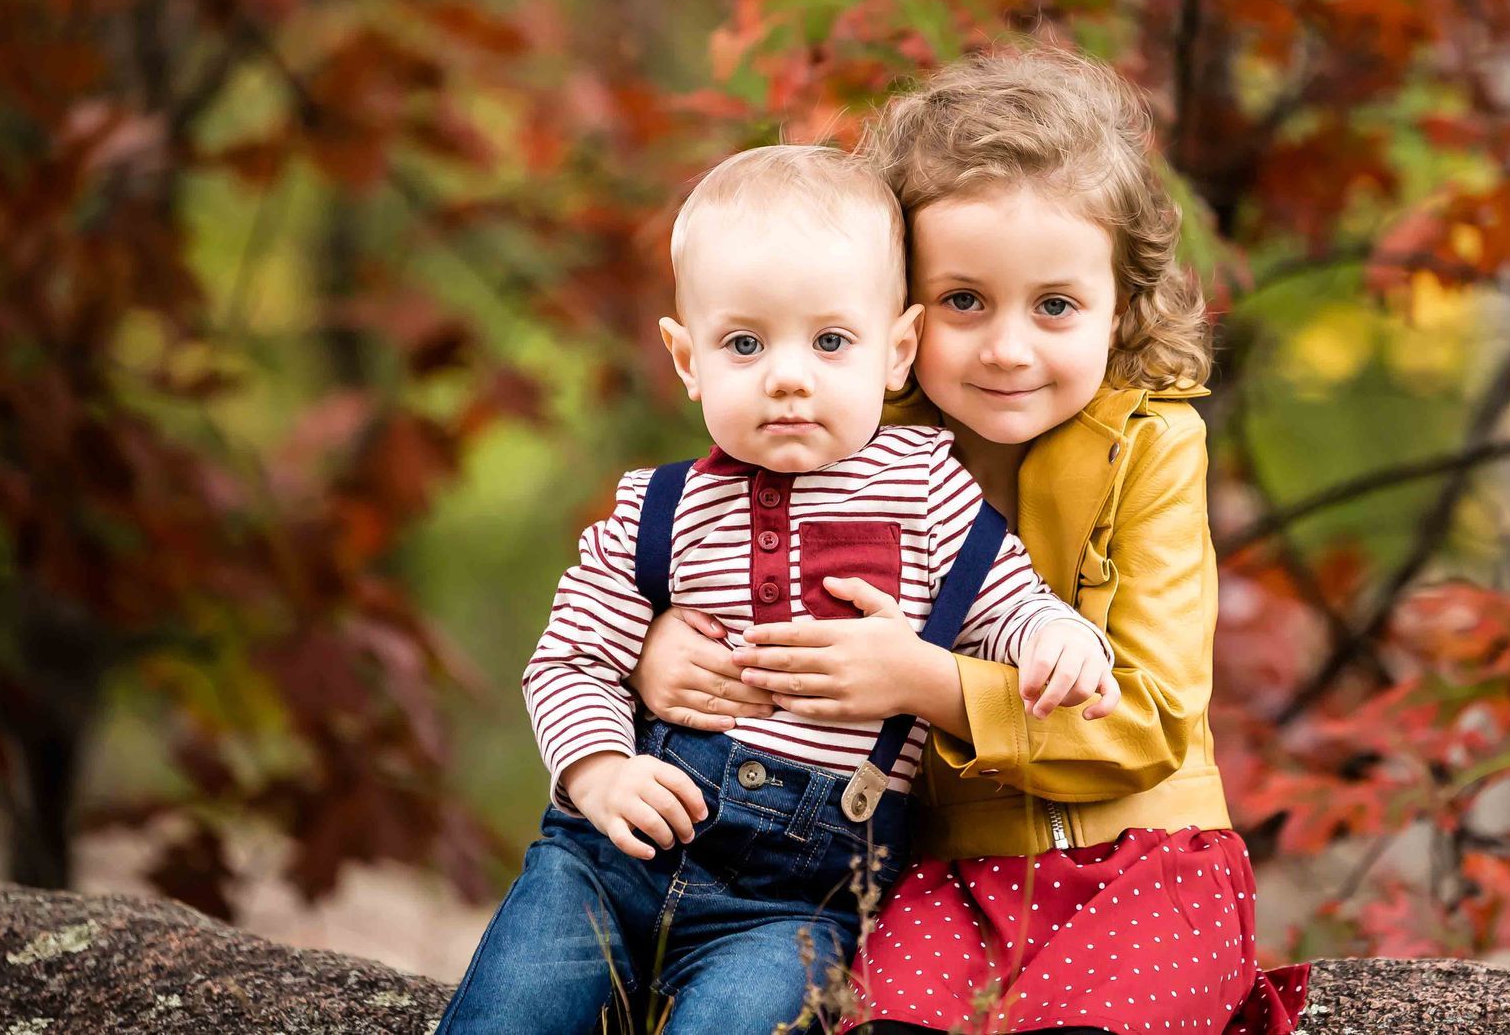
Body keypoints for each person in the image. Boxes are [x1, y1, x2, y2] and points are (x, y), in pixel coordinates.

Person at [630, 50, 1311, 1034]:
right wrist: (661, 653)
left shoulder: (1153, 447)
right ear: (899, 315)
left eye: (1056, 306)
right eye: (963, 301)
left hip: (1144, 861)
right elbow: (711, 577)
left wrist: (928, 685)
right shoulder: (847, 438)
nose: (1007, 347)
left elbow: (1150, 717)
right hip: (935, 872)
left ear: (1120, 305)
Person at [437, 143, 1120, 1035]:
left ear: (896, 349)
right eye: (744, 343)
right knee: (511, 1014)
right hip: (610, 863)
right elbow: (570, 657)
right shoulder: (661, 509)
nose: (788, 375)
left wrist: (1058, 640)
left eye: (831, 340)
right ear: (688, 357)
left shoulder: (928, 495)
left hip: (792, 902)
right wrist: (599, 771)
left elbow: (1009, 603)